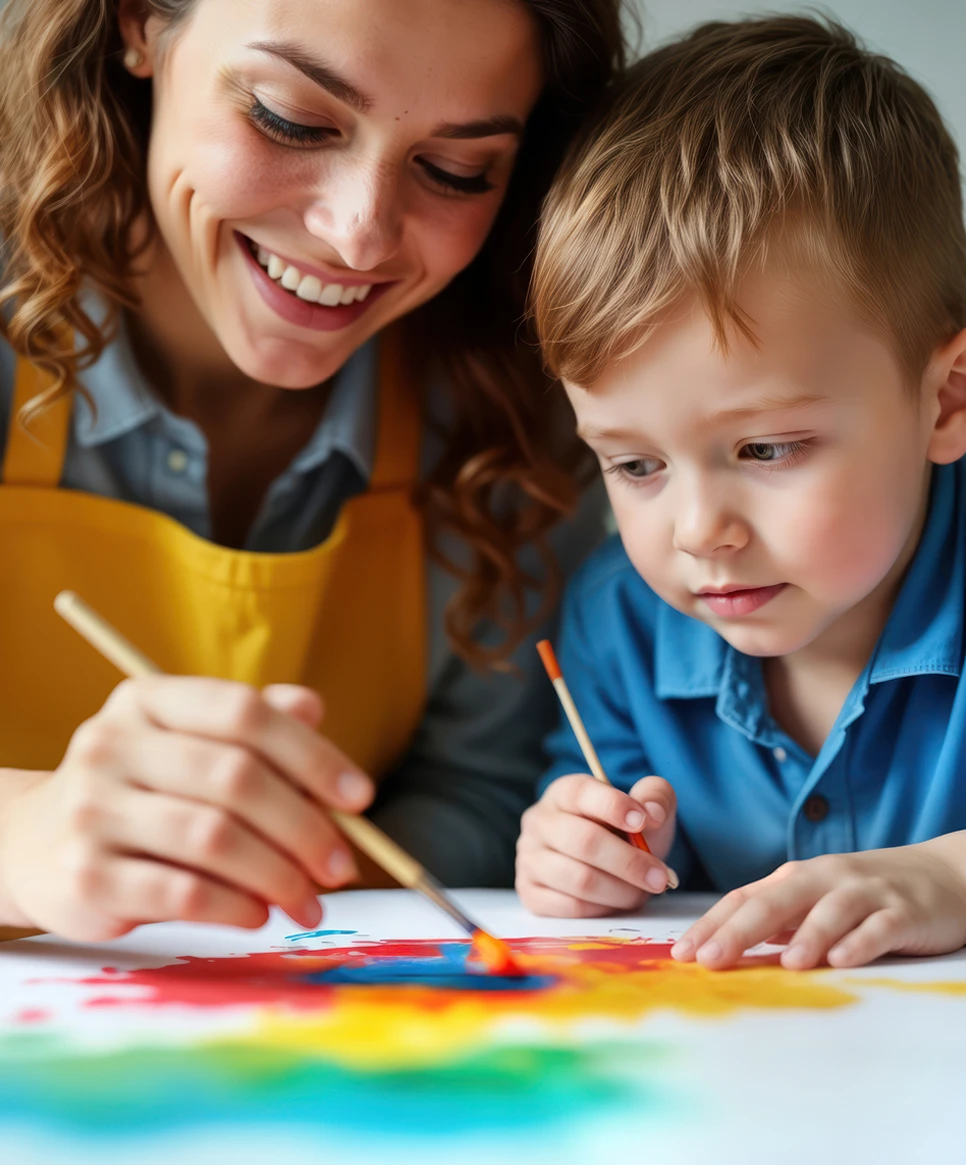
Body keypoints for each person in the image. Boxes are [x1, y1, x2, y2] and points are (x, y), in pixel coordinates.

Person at [0, 0, 622, 942]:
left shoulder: (512, 416)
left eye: (457, 171)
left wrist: (290, 887)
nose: (358, 234)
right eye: (289, 120)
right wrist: (20, 838)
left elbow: (478, 787)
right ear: (138, 24)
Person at [518, 15, 966, 971]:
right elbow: (606, 837)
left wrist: (951, 876)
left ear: (947, 400)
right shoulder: (618, 620)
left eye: (764, 448)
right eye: (635, 465)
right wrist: (580, 852)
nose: (698, 531)